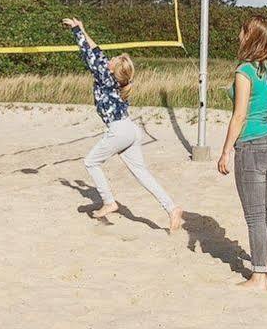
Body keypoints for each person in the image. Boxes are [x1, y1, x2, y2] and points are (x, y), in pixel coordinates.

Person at [64, 16, 185, 234]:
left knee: (91, 162)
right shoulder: (115, 77)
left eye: (113, 60)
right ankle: (172, 208)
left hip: (119, 130)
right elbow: (97, 51)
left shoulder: (105, 76)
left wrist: (75, 32)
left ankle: (109, 202)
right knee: (142, 173)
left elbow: (87, 53)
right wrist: (83, 27)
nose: (109, 59)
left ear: (112, 69)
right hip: (130, 129)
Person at [216, 16, 267, 287]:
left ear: (251, 37)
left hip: (251, 147)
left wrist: (225, 151)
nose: (239, 36)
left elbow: (239, 115)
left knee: (255, 214)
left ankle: (257, 274)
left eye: (242, 31)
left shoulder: (244, 71)